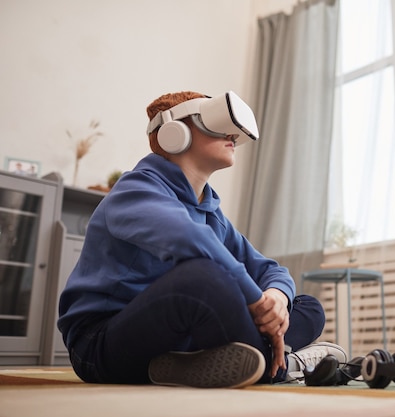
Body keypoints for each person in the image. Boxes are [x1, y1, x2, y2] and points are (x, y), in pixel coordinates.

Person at [57, 90, 346, 388]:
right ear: (174, 133)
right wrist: (256, 301)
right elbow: (190, 241)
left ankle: (225, 361)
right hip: (100, 344)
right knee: (203, 277)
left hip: (176, 345)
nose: (232, 135)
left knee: (307, 306)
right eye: (214, 123)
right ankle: (282, 364)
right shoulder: (134, 190)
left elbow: (270, 269)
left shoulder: (210, 212)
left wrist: (275, 299)